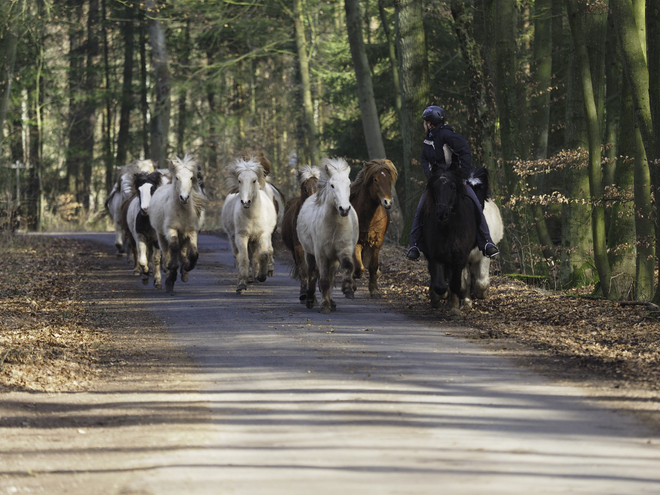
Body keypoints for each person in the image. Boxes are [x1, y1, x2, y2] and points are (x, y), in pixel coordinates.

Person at [405, 105, 499, 260]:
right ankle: (414, 245)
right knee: (420, 209)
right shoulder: (427, 141)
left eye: (425, 122)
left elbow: (465, 152)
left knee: (475, 205)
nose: (424, 125)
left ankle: (487, 243)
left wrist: (462, 177)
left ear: (430, 124)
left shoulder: (448, 135)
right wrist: (432, 180)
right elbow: (424, 160)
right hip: (437, 183)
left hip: (455, 181)